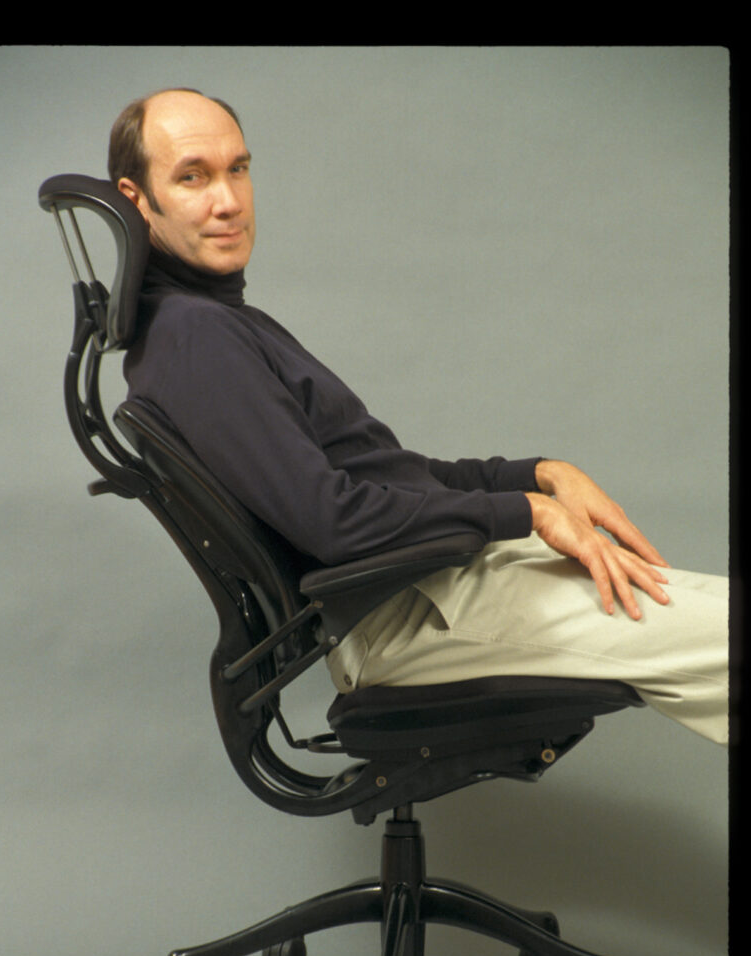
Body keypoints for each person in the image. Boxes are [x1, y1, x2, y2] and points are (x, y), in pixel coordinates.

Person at [110, 88, 728, 745]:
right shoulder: (196, 336)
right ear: (136, 199)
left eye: (238, 169)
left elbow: (392, 479)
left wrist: (541, 474)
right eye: (192, 177)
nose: (229, 200)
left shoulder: (217, 324)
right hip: (413, 611)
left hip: (443, 578)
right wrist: (528, 510)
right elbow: (333, 518)